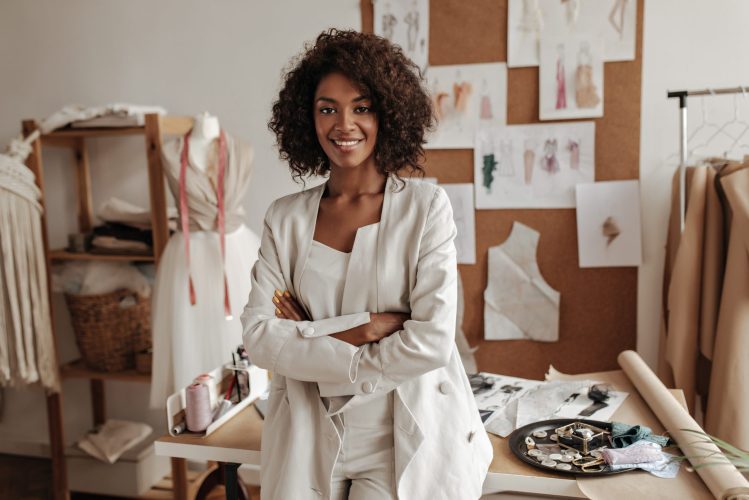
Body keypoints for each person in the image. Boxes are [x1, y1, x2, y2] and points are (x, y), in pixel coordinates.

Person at [241, 29, 492, 500]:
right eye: (327, 108)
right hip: (308, 427)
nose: (344, 124)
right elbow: (258, 337)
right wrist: (366, 329)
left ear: (387, 113)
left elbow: (432, 342)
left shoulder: (426, 208)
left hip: (399, 435)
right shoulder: (285, 218)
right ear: (307, 117)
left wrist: (313, 337)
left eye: (361, 107)